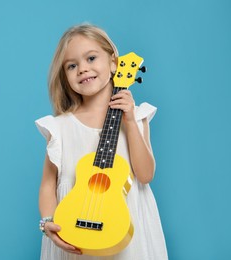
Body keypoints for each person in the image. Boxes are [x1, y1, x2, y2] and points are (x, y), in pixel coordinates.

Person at [35, 24, 168, 260]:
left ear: (114, 62)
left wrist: (128, 121)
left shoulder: (136, 118)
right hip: (75, 236)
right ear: (65, 76)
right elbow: (48, 184)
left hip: (127, 239)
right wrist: (47, 223)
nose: (83, 69)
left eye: (91, 58)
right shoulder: (60, 128)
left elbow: (145, 175)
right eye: (72, 65)